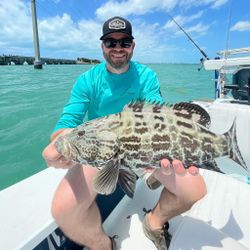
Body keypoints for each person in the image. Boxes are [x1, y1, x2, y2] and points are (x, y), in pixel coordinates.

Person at [42, 16, 207, 250]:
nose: (118, 48)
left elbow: (157, 115)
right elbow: (67, 122)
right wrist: (59, 144)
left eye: (124, 42)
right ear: (102, 46)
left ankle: (155, 220)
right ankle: (104, 245)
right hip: (102, 151)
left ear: (133, 46)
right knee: (63, 209)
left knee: (195, 190)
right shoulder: (87, 80)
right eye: (111, 42)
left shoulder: (146, 76)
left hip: (144, 151)